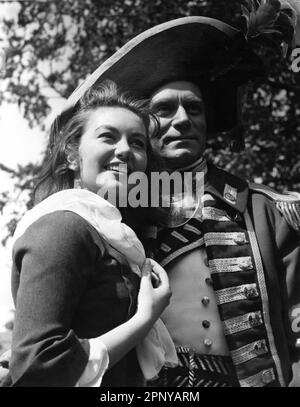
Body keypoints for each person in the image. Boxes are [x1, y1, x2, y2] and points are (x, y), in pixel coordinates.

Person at [50, 16, 300, 387]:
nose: (182, 119)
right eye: (164, 110)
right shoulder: (105, 214)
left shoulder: (268, 211)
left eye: (194, 109)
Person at [4, 81, 177, 387]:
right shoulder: (64, 226)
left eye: (137, 143)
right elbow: (37, 364)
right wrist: (144, 318)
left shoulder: (113, 236)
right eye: (108, 137)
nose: (125, 151)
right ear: (72, 156)